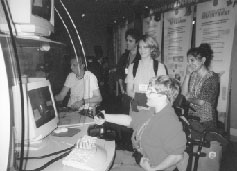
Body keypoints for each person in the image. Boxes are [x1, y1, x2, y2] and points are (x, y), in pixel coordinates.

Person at [94, 75, 187, 171]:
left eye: (151, 91)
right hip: (140, 158)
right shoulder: (152, 111)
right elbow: (130, 120)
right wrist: (105, 117)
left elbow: (177, 156)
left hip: (153, 166)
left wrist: (154, 169)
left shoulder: (170, 122)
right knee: (103, 154)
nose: (146, 93)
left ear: (163, 97)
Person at [182, 43, 219, 130]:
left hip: (206, 119)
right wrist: (187, 75)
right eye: (188, 61)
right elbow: (183, 94)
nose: (189, 64)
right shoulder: (193, 75)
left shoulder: (212, 78)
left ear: (203, 60)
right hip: (192, 116)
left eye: (192, 60)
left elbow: (201, 102)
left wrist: (188, 99)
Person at [126, 35, 167, 111]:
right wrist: (143, 101)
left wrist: (147, 102)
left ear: (151, 49)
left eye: (145, 47)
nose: (142, 50)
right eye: (140, 47)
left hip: (153, 108)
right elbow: (129, 91)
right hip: (136, 107)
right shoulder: (132, 67)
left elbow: (162, 91)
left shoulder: (160, 67)